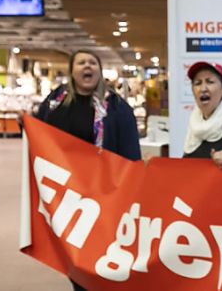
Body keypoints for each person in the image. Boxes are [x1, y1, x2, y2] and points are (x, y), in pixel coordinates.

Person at [35, 50, 141, 291]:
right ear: (72, 71)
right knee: (74, 258)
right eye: (81, 62)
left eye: (92, 62)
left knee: (99, 257)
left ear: (99, 71)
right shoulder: (55, 102)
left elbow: (131, 154)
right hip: (65, 197)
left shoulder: (116, 107)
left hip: (103, 197)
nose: (87, 66)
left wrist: (131, 191)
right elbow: (39, 136)